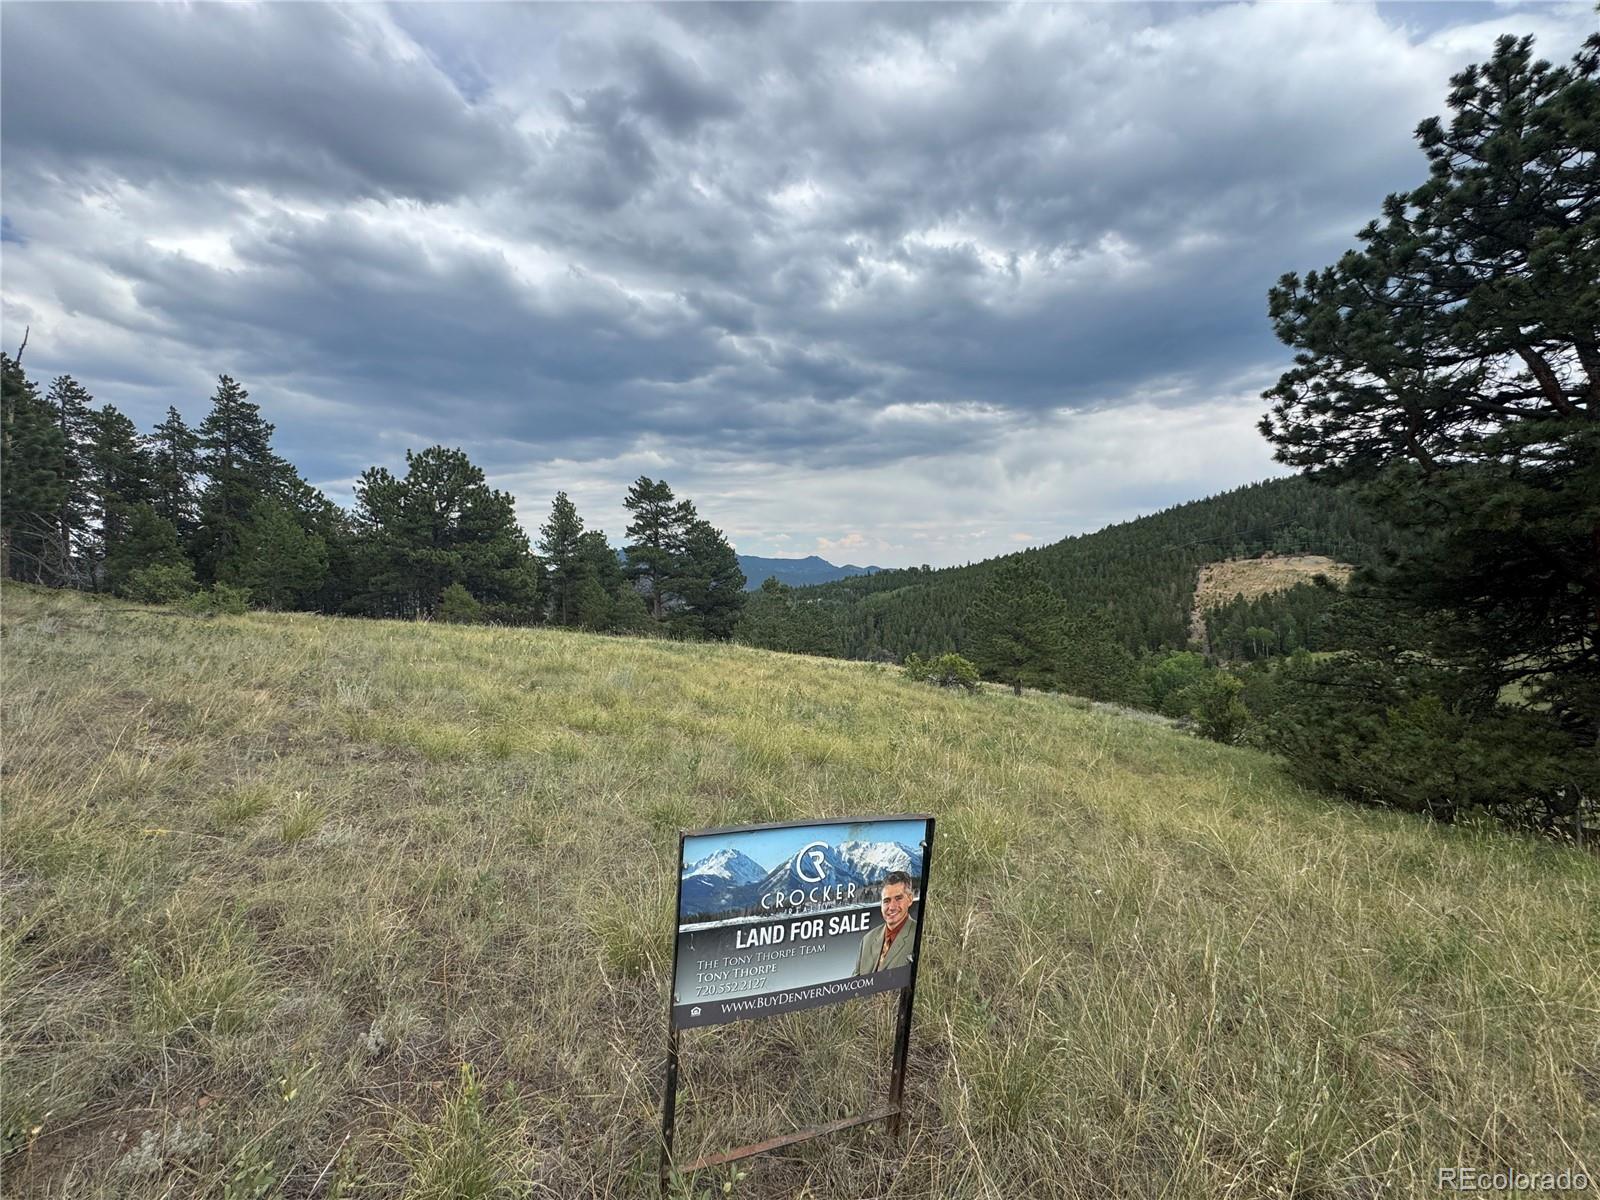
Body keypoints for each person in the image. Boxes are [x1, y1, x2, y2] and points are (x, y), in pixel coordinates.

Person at [854, 871, 917, 975]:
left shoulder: (918, 936)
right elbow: (855, 982)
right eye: (887, 901)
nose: (891, 907)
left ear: (910, 899)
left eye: (898, 898)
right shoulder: (867, 940)